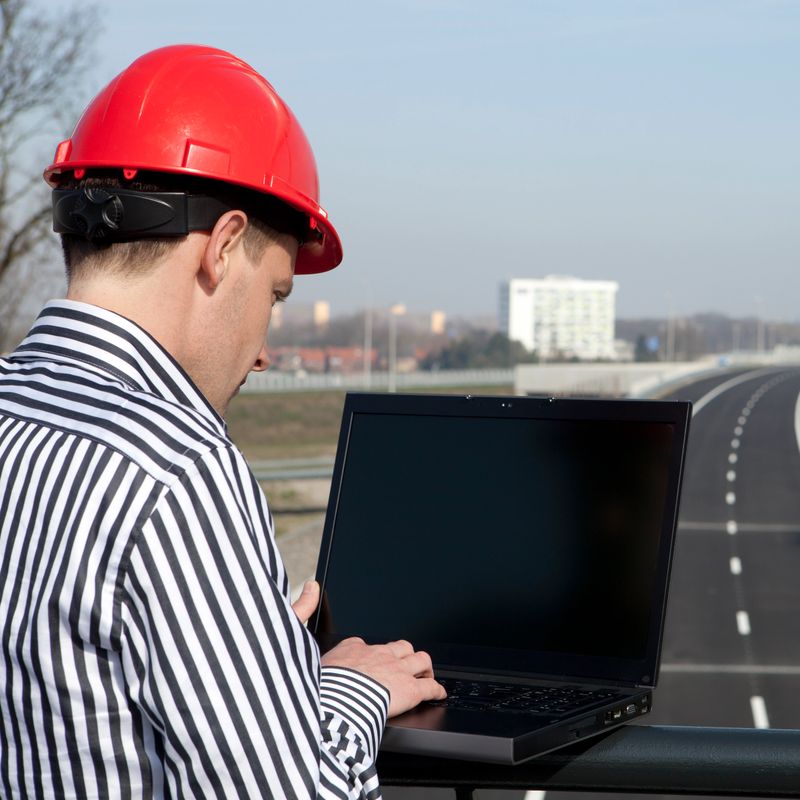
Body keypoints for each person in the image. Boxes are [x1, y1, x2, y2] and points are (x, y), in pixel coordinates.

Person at [0, 45, 445, 799]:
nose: (265, 352)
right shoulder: (177, 469)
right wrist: (341, 688)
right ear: (224, 246)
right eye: (274, 296)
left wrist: (250, 651)